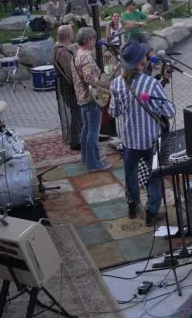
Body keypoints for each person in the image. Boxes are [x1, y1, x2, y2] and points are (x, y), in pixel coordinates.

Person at [108, 41, 174, 224]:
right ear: (141, 62)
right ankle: (151, 212)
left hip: (129, 140)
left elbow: (113, 112)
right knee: (154, 176)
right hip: (151, 141)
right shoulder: (151, 83)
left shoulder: (116, 84)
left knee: (131, 175)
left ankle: (132, 206)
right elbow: (170, 112)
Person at [71, 26, 112, 171]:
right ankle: (94, 163)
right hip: (91, 98)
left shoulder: (77, 53)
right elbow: (90, 79)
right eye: (94, 38)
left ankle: (86, 159)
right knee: (93, 132)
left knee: (86, 129)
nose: (95, 40)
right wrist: (106, 84)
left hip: (81, 96)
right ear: (88, 40)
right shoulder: (87, 57)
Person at [52, 25, 81, 150]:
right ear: (68, 36)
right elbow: (70, 72)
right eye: (72, 33)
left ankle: (79, 137)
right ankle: (75, 141)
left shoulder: (57, 47)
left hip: (65, 84)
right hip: (68, 86)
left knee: (77, 112)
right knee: (76, 113)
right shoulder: (63, 52)